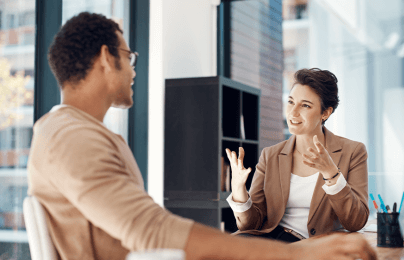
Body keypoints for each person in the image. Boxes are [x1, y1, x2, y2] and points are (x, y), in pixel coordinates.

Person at [27, 12, 377, 260]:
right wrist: (292, 256)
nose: (133, 67)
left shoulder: (83, 133)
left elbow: (144, 231)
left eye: (306, 105)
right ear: (106, 58)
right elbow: (150, 231)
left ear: (326, 112)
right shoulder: (69, 136)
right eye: (128, 56)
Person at [226, 68, 369, 243]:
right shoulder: (270, 155)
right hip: (274, 241)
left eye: (305, 105)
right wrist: (239, 190)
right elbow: (252, 224)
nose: (293, 113)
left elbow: (356, 221)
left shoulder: (353, 152)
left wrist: (332, 174)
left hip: (317, 247)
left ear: (325, 113)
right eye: (291, 102)